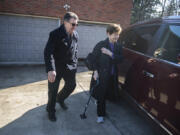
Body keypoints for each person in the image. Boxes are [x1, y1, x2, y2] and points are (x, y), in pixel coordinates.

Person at [44, 12, 79, 122]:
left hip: (69, 67)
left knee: (71, 85)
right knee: (53, 91)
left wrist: (75, 64)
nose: (75, 27)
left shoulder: (75, 35)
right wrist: (50, 69)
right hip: (57, 67)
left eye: (76, 24)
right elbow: (48, 52)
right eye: (72, 24)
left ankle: (61, 98)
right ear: (64, 22)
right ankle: (50, 110)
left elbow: (75, 50)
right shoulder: (55, 34)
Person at [89, 24, 123, 123]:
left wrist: (110, 53)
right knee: (102, 94)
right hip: (102, 75)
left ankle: (100, 102)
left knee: (108, 93)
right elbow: (92, 59)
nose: (116, 37)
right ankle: (100, 114)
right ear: (108, 33)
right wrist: (95, 71)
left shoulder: (118, 46)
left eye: (118, 34)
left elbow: (121, 59)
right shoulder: (101, 44)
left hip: (113, 75)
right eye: (114, 34)